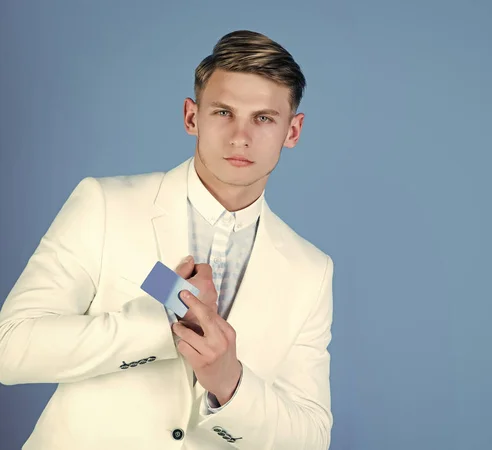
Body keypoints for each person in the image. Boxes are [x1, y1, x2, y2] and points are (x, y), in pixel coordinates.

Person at [0, 30, 334, 450]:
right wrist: (162, 323)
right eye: (223, 112)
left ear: (293, 130)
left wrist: (230, 384)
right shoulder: (105, 205)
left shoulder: (311, 270)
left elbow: (311, 438)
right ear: (192, 117)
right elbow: (9, 348)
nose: (240, 137)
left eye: (264, 118)